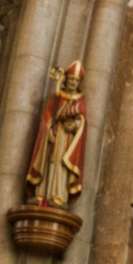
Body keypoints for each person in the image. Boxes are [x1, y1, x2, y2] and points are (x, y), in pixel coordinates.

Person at [25, 61, 86, 207]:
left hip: (68, 139)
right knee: (49, 162)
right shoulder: (58, 96)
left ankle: (59, 195)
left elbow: (83, 121)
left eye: (76, 81)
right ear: (66, 79)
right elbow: (47, 115)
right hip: (54, 135)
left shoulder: (80, 100)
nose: (73, 83)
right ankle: (41, 194)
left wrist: (76, 125)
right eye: (71, 79)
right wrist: (48, 130)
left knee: (61, 165)